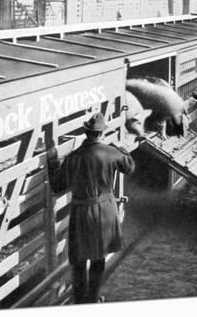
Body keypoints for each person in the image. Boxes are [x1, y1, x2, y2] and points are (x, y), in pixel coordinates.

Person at [47, 113, 135, 304]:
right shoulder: (112, 152)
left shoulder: (74, 156)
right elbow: (129, 167)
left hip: (81, 213)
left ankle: (80, 302)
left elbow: (57, 186)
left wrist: (53, 162)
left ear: (86, 133)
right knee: (99, 258)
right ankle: (93, 300)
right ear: (102, 134)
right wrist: (122, 148)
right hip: (105, 211)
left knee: (79, 260)